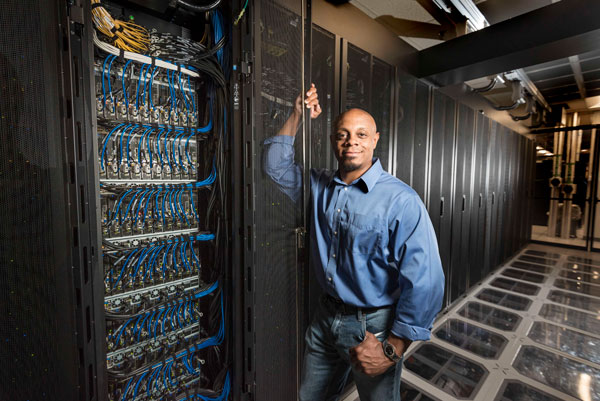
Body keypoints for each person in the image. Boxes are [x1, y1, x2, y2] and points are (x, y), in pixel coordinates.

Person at [263, 84, 445, 401]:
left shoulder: (401, 200)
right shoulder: (318, 188)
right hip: (325, 317)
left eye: (361, 135)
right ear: (334, 140)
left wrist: (394, 347)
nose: (351, 142)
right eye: (343, 134)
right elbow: (275, 165)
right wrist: (297, 116)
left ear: (375, 140)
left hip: (373, 325)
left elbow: (426, 279)